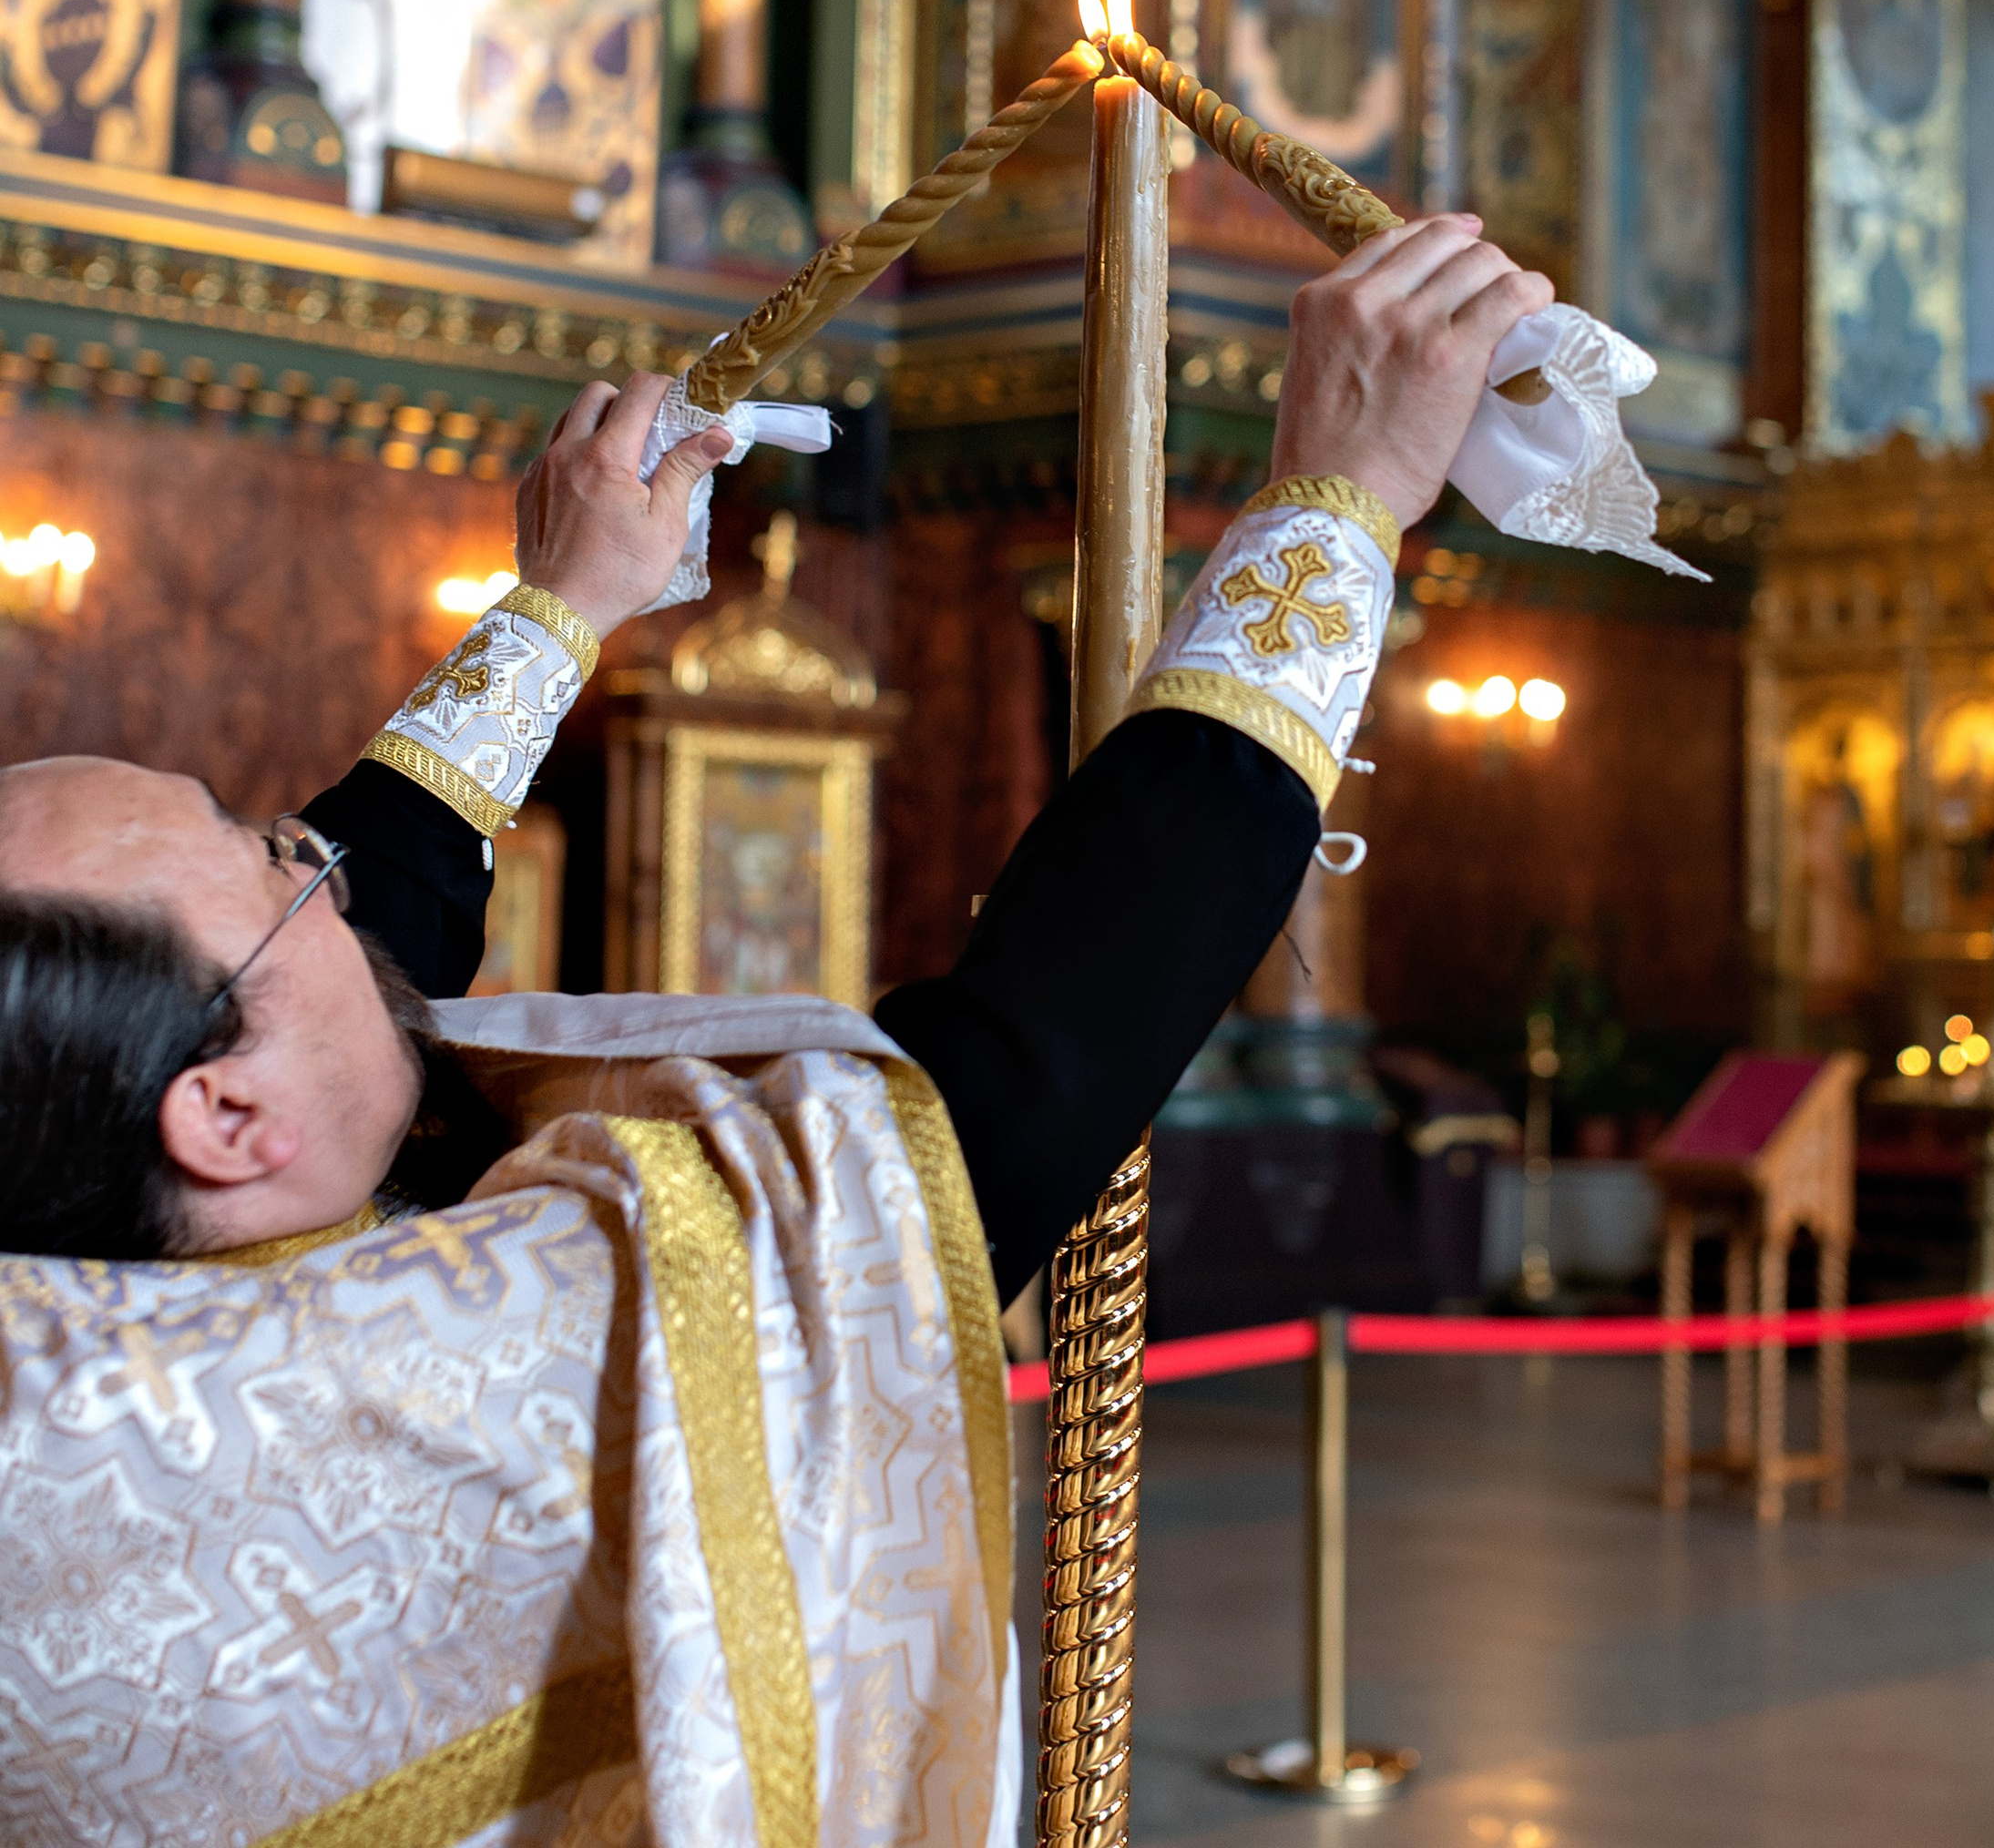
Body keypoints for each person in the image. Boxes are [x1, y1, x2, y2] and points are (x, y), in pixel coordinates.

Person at [0, 218, 1549, 1848]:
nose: (323, 867)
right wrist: (1336, 506)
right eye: (271, 862)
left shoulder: (90, 1278)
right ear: (224, 1122)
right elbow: (962, 1130)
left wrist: (564, 601)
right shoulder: (329, 1401)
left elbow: (355, 932)